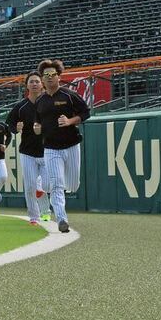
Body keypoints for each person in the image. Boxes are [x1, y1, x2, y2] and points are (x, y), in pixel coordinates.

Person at [34, 58, 90, 234]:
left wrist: (70, 121)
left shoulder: (69, 95)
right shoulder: (40, 101)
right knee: (57, 185)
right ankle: (62, 219)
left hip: (71, 146)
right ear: (42, 79)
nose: (49, 78)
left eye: (52, 74)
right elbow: (37, 122)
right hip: (51, 148)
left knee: (72, 185)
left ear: (59, 76)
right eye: (46, 75)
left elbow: (86, 112)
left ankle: (42, 184)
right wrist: (37, 128)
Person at [5, 72, 52, 225]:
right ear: (27, 85)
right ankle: (34, 216)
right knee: (30, 186)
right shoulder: (20, 107)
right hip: (27, 152)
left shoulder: (49, 103)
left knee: (45, 184)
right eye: (31, 82)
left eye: (37, 81)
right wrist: (16, 128)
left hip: (48, 150)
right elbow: (10, 125)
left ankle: (46, 211)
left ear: (42, 84)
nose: (34, 84)